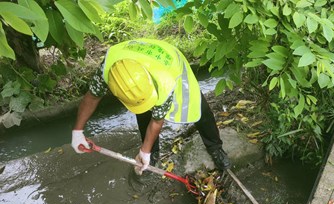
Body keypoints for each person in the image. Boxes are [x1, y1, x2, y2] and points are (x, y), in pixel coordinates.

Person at [71, 38, 230, 175]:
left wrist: (143, 151)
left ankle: (215, 147)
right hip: (138, 61)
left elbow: (157, 120)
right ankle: (152, 153)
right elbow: (92, 97)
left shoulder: (165, 80)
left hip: (170, 61)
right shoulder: (108, 68)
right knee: (143, 110)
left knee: (197, 107)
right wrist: (77, 131)